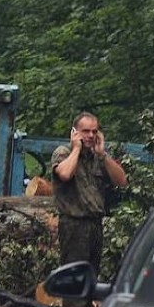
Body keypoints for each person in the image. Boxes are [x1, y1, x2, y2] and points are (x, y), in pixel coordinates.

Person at [51, 112, 128, 272]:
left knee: (90, 279)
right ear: (75, 132)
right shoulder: (64, 152)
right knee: (74, 278)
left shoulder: (98, 157)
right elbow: (65, 174)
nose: (91, 135)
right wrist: (76, 149)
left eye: (94, 131)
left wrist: (103, 154)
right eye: (86, 131)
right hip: (74, 225)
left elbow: (122, 182)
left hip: (95, 225)